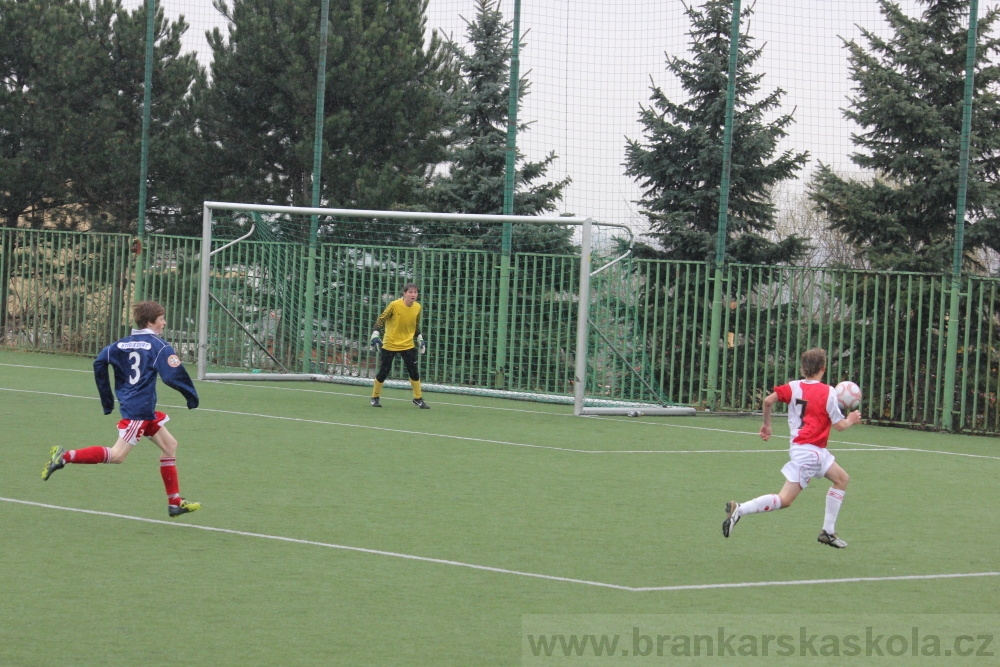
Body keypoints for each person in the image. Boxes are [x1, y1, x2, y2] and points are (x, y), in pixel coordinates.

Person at [42, 301, 202, 517]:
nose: (164, 323)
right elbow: (172, 375)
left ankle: (175, 502)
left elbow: (99, 363)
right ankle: (64, 457)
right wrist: (191, 397)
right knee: (117, 455)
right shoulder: (159, 346)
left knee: (170, 445)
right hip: (138, 411)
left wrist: (108, 401)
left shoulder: (120, 344)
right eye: (162, 318)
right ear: (150, 321)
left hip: (141, 409)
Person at [722, 347, 861, 548]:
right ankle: (740, 509)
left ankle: (828, 532)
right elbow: (840, 426)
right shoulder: (828, 392)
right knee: (785, 499)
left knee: (841, 479)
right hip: (809, 453)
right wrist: (851, 419)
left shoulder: (793, 387)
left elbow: (768, 401)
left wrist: (767, 424)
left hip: (811, 450)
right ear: (823, 368)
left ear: (803, 369)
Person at [369, 283, 429, 409]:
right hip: (390, 343)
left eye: (415, 292)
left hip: (407, 344)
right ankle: (375, 397)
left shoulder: (418, 307)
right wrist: (375, 334)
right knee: (384, 371)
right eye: (410, 292)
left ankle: (417, 398)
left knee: (414, 371)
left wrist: (420, 339)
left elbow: (415, 325)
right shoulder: (394, 305)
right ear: (404, 293)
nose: (413, 295)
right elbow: (381, 319)